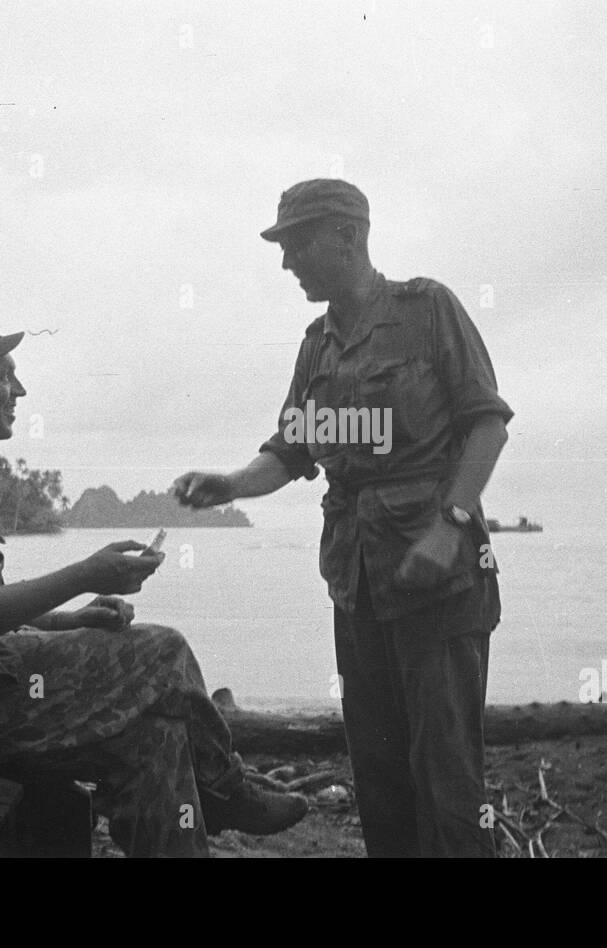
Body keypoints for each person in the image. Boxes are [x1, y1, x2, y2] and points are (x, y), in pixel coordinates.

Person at [0, 312, 307, 857]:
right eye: (4, 375)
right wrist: (84, 574)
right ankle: (227, 789)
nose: (20, 389)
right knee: (163, 651)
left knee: (157, 740)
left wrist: (71, 617)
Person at [174, 180, 512, 857]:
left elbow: (487, 427)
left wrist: (449, 527)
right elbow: (291, 449)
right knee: (379, 771)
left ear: (349, 237)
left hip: (439, 579)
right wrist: (232, 483)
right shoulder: (316, 346)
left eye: (297, 243)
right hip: (356, 583)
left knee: (445, 774)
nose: (287, 261)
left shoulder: (427, 310)